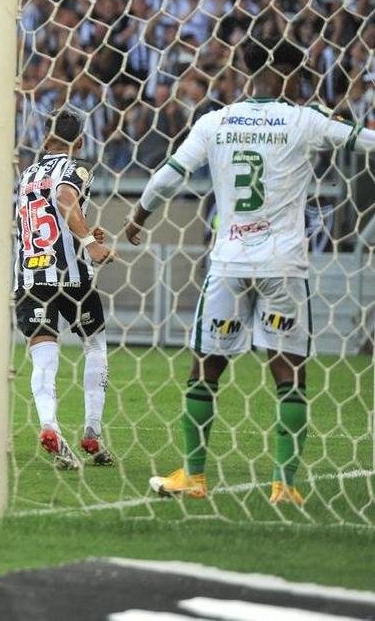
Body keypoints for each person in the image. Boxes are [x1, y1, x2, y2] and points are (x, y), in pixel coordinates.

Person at [125, 39, 375, 507]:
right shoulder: (305, 120)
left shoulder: (215, 121)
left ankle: (194, 477)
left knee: (205, 369)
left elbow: (166, 177)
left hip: (229, 262)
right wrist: (335, 120)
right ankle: (284, 484)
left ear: (246, 74)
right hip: (282, 265)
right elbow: (365, 142)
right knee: (289, 373)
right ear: (293, 76)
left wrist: (139, 218)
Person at [15, 110, 115, 470]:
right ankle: (92, 430)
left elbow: (41, 222)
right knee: (95, 344)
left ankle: (49, 424)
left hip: (30, 276)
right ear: (81, 141)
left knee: (43, 355)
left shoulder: (26, 174)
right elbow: (64, 197)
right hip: (71, 277)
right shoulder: (76, 167)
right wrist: (89, 242)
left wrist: (83, 233)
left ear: (45, 139)